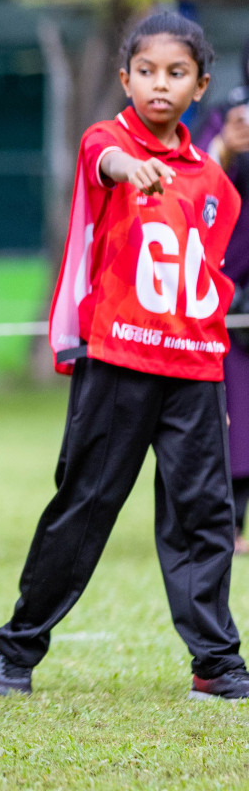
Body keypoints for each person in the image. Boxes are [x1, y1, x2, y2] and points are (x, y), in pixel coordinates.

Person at [0, 12, 249, 702]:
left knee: (202, 513)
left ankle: (217, 662)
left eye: (175, 73)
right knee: (85, 504)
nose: (158, 85)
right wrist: (129, 165)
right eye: (146, 71)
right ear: (124, 77)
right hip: (120, 360)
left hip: (195, 369)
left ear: (200, 86)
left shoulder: (214, 183)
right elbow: (103, 163)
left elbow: (212, 276)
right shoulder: (107, 143)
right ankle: (16, 651)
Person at [196, 63, 249, 555]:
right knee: (235, 410)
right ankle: (229, 525)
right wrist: (228, 148)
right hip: (228, 285)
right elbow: (198, 182)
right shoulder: (228, 111)